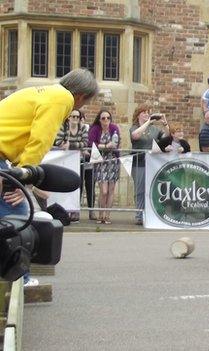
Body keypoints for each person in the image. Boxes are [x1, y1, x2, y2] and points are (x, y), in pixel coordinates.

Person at [0, 68, 98, 286]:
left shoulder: (45, 92)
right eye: (84, 103)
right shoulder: (62, 98)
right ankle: (19, 279)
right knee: (16, 215)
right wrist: (23, 179)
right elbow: (40, 139)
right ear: (81, 96)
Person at [129, 105, 170, 225]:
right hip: (139, 162)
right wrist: (148, 122)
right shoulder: (134, 127)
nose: (147, 114)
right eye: (144, 113)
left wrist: (165, 123)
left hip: (152, 163)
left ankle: (150, 214)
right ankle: (139, 215)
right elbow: (135, 135)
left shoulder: (154, 129)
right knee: (140, 189)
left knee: (151, 189)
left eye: (148, 113)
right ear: (138, 115)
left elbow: (167, 137)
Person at [53, 109, 90, 222]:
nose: (75, 119)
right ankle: (64, 210)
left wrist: (71, 145)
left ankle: (75, 211)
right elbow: (58, 141)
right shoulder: (63, 127)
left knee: (78, 185)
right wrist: (76, 146)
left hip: (78, 161)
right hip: (65, 161)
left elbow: (85, 143)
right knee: (65, 185)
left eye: (77, 117)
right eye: (73, 116)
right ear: (68, 118)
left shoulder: (83, 128)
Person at [88, 110, 120, 225]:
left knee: (111, 190)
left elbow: (116, 143)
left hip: (112, 161)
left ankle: (107, 215)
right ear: (99, 119)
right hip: (100, 162)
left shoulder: (114, 128)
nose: (106, 120)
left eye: (108, 118)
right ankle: (100, 214)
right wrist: (105, 146)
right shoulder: (95, 129)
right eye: (103, 118)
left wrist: (110, 146)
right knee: (104, 191)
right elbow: (91, 143)